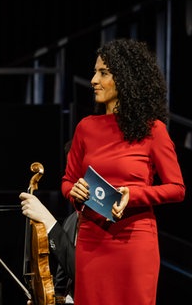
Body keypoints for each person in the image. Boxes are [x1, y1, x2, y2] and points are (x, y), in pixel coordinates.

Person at [61, 38, 185, 304]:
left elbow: (177, 188)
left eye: (103, 72)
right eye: (95, 71)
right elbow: (67, 181)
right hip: (91, 242)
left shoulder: (153, 130)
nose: (94, 79)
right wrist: (75, 191)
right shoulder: (86, 128)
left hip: (135, 242)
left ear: (126, 78)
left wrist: (134, 195)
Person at [19, 192, 76, 304]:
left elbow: (82, 273)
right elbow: (61, 288)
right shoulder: (72, 220)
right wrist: (44, 298)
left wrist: (48, 221)